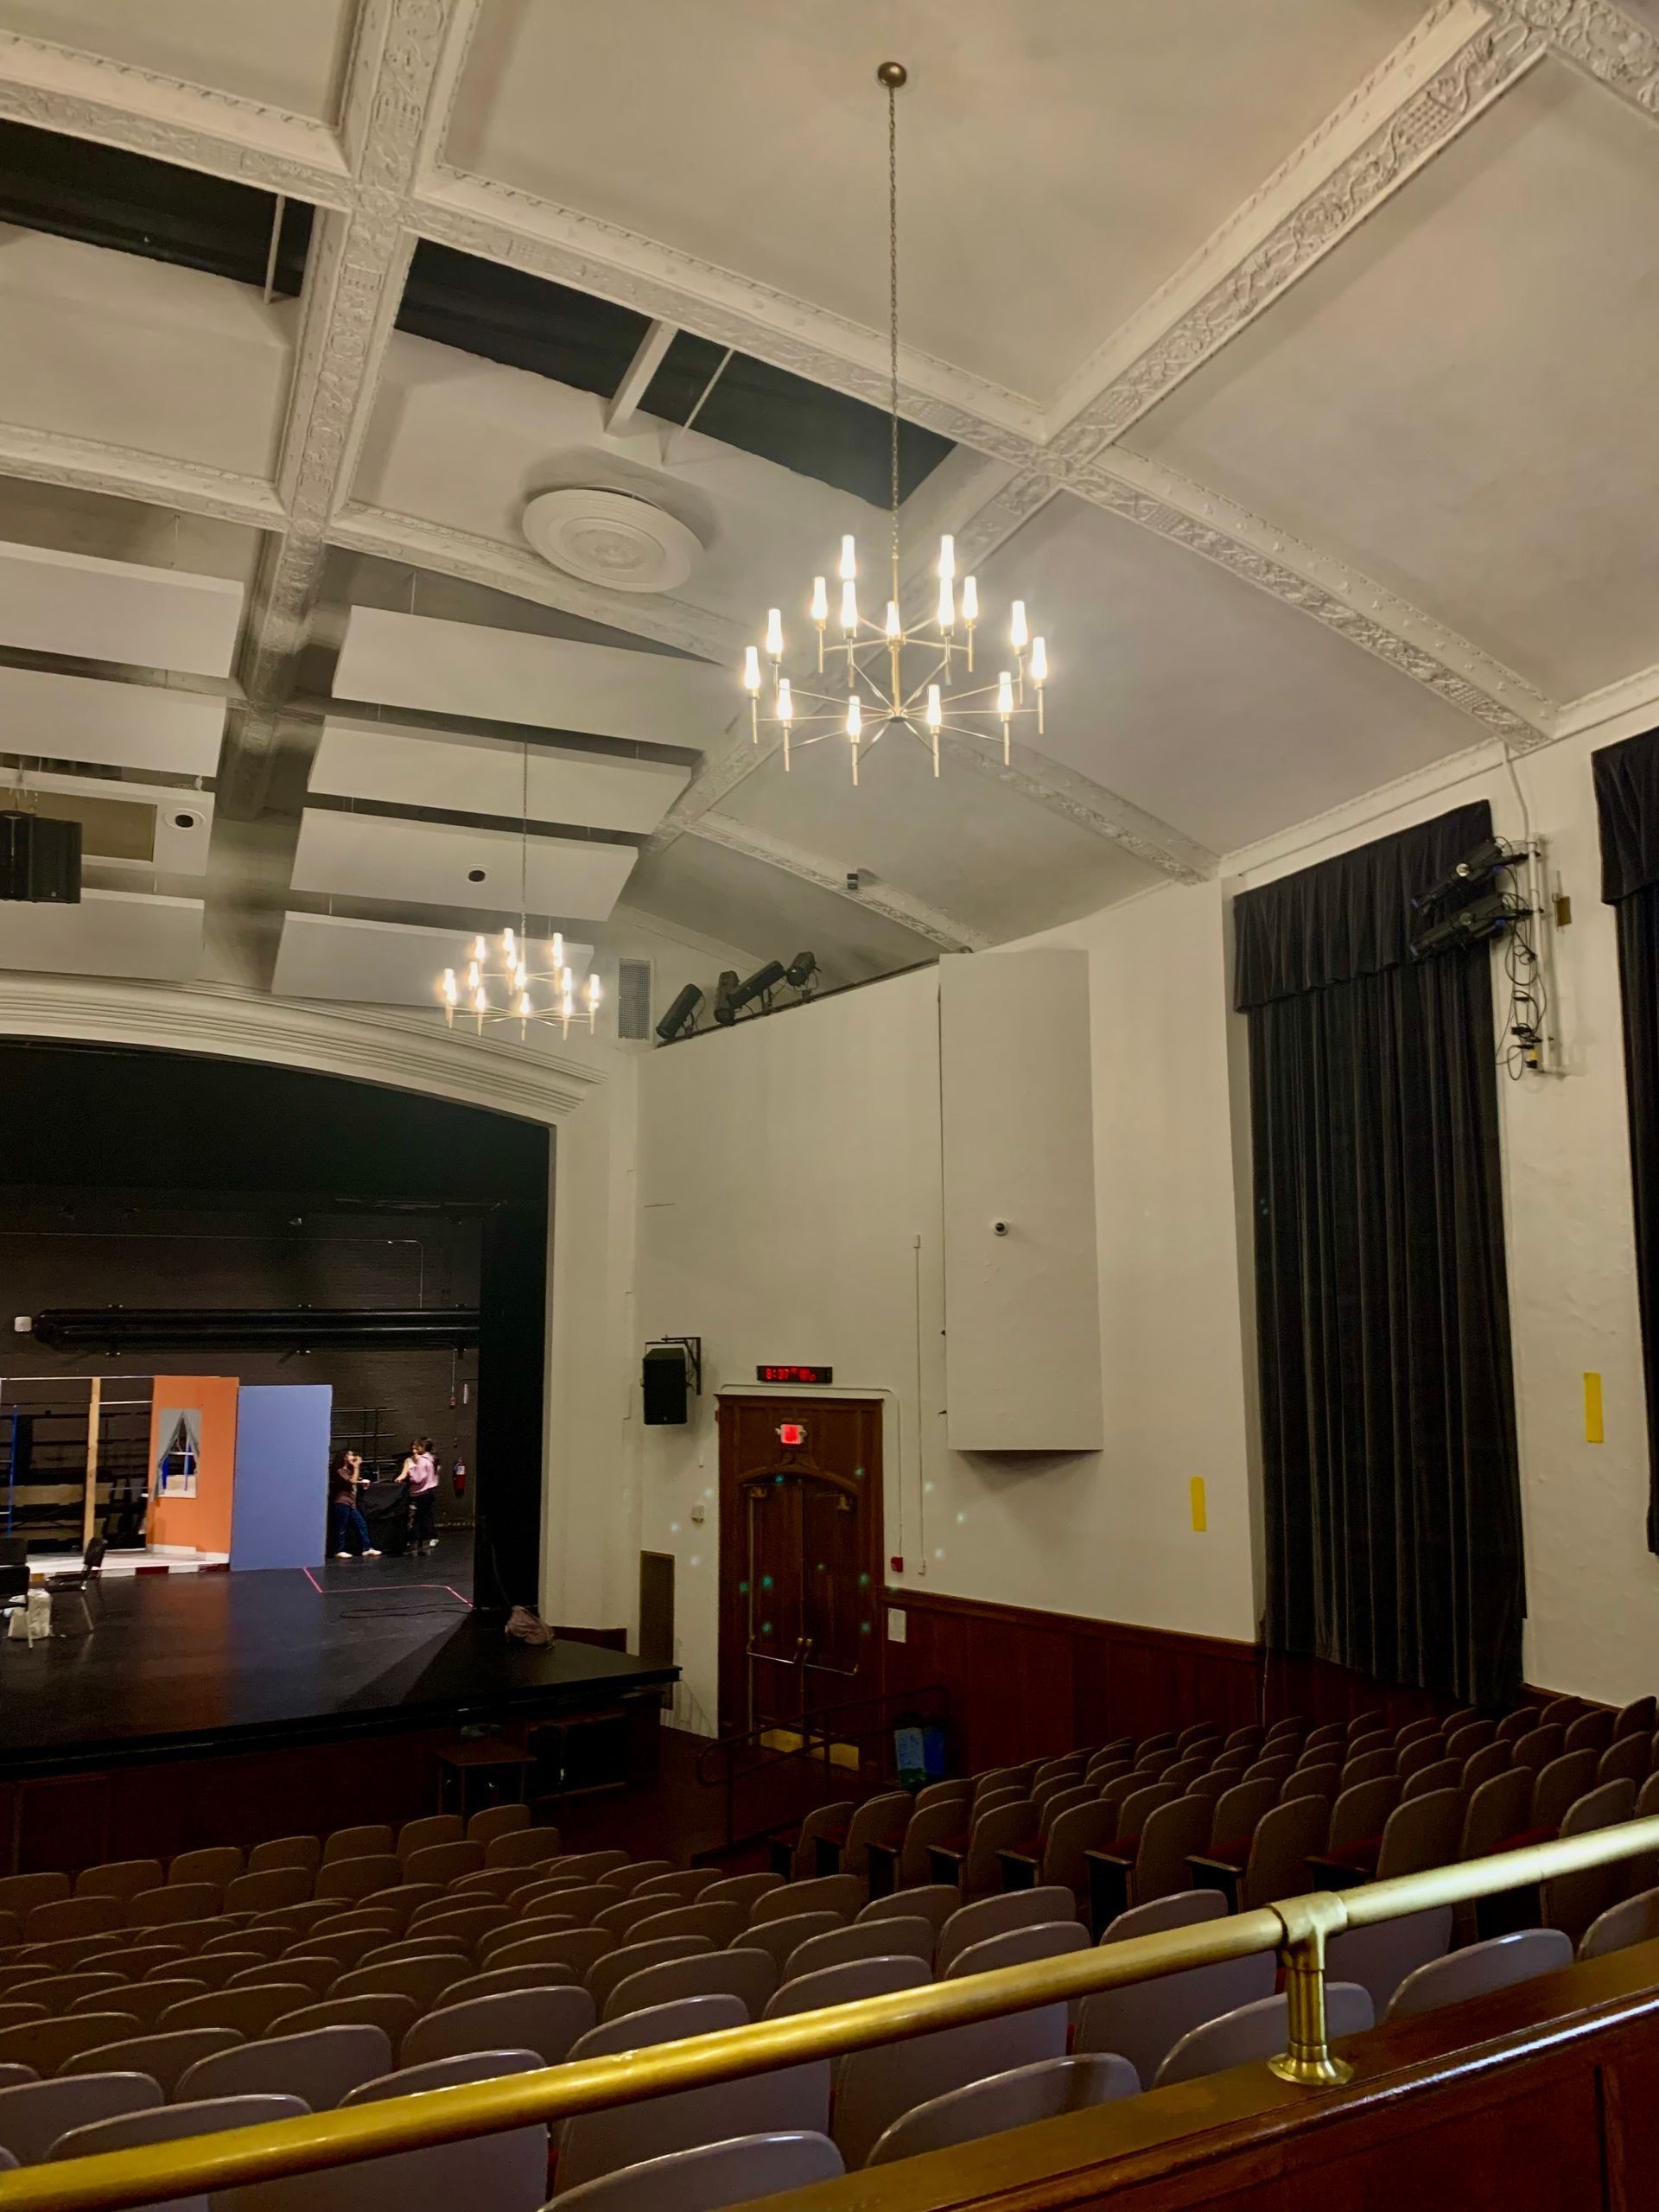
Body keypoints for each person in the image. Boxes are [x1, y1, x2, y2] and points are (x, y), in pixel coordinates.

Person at [327, 1450, 378, 1560]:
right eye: (350, 1455)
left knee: (361, 1524)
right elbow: (352, 1481)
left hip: (351, 1502)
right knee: (342, 1527)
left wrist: (361, 1482)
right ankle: (339, 1550)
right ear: (344, 1457)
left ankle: (367, 1547)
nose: (353, 1456)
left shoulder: (349, 1470)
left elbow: (354, 1481)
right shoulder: (340, 1470)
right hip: (342, 1502)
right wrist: (356, 1466)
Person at [397, 1435, 441, 1554]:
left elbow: (417, 1478)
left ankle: (415, 1546)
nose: (414, 1451)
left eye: (417, 1448)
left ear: (423, 1447)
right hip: (429, 1492)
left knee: (416, 1520)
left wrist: (410, 1471)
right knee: (426, 1518)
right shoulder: (432, 1459)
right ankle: (425, 1545)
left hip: (420, 1494)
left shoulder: (422, 1461)